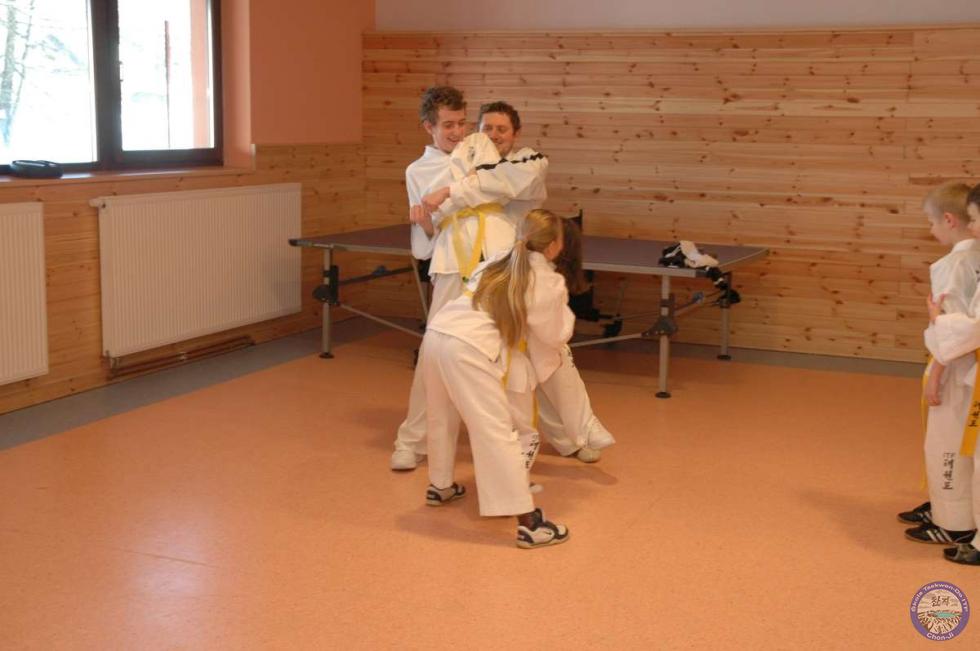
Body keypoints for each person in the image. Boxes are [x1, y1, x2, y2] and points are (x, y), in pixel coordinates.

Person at [391, 96, 549, 470]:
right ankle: (412, 441)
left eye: (461, 123)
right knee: (435, 352)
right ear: (429, 126)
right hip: (451, 260)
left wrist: (452, 193)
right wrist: (426, 223)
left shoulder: (480, 147)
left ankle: (516, 440)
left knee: (510, 349)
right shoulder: (417, 170)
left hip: (497, 254)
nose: (457, 132)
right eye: (448, 125)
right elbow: (425, 239)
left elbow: (510, 184)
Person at [421, 209, 571, 548]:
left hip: (439, 333)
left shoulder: (498, 259)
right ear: (554, 246)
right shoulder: (546, 281)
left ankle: (441, 485)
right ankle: (529, 524)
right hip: (471, 349)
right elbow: (554, 334)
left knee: (440, 415)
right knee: (496, 432)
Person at [903, 182, 980, 552]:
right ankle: (945, 507)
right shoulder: (974, 256)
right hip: (964, 365)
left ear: (949, 220)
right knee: (957, 444)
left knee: (947, 444)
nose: (930, 230)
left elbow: (954, 325)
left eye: (931, 222)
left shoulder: (954, 265)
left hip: (955, 368)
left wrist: (936, 373)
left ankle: (953, 522)